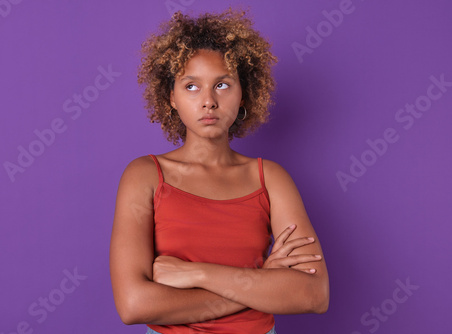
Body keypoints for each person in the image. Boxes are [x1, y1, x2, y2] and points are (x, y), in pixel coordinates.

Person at [109, 8, 329, 334]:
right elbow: (134, 305)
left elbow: (314, 294)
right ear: (171, 97)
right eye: (192, 86)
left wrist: (198, 274)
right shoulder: (145, 175)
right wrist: (259, 284)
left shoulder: (269, 178)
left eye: (223, 85)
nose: (208, 101)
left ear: (243, 95)